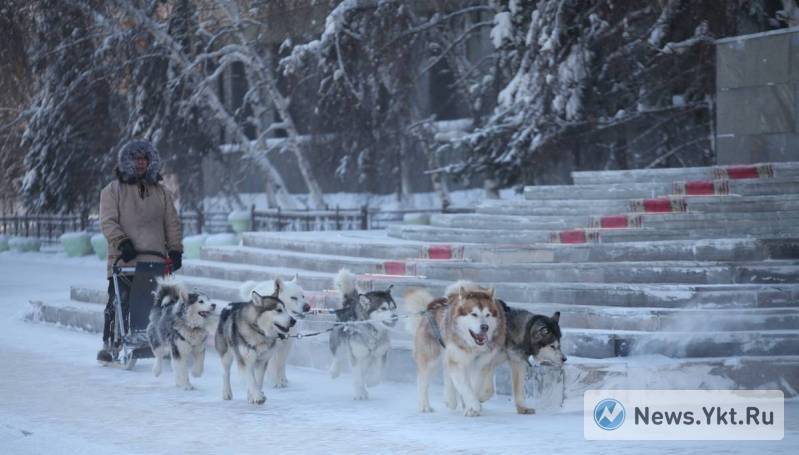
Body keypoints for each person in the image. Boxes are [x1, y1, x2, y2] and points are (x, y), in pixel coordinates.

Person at [96, 139, 183, 363]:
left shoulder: (161, 192)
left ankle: (159, 341)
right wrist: (122, 242)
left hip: (154, 259)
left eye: (145, 159)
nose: (141, 163)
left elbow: (171, 223)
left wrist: (175, 250)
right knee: (118, 302)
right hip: (124, 259)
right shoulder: (112, 190)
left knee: (157, 304)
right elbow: (108, 222)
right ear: (128, 161)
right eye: (137, 159)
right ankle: (111, 345)